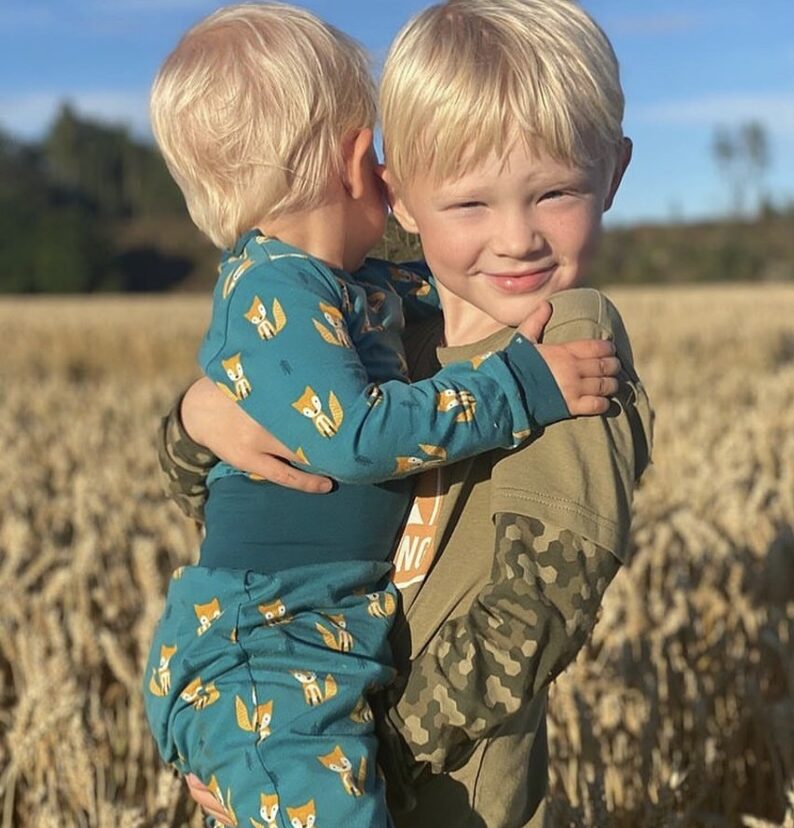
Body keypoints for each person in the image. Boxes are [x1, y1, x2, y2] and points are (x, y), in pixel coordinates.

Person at [141, 4, 622, 828]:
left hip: (431, 783)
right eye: (469, 205)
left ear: (611, 174)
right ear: (381, 179)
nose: (515, 240)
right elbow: (234, 487)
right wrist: (195, 419)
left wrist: (366, 756)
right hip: (291, 676)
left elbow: (544, 603)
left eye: (553, 193)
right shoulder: (319, 302)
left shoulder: (561, 346)